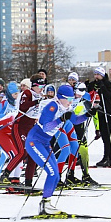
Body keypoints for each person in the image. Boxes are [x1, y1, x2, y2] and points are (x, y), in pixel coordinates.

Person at [26, 85, 88, 214]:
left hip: (45, 142)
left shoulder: (65, 106)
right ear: (61, 98)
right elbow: (45, 127)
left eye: (72, 98)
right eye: (69, 98)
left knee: (56, 174)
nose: (71, 101)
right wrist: (60, 119)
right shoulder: (52, 107)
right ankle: (44, 205)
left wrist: (88, 114)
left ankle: (47, 203)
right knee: (52, 173)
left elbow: (75, 120)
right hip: (34, 141)